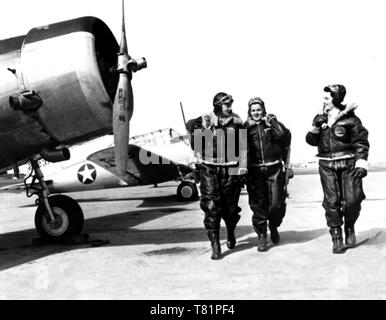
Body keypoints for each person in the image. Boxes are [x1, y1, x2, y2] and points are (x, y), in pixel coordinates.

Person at [306, 84, 369, 254]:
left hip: (348, 164)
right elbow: (311, 141)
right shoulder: (320, 118)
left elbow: (361, 142)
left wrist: (361, 162)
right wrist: (315, 127)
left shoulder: (351, 120)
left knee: (353, 199)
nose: (323, 101)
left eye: (326, 98)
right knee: (331, 202)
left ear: (335, 98)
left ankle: (349, 226)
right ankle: (337, 237)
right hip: (326, 165)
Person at [186, 92, 247, 260]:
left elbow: (243, 147)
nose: (230, 108)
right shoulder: (204, 120)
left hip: (230, 168)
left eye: (230, 105)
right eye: (227, 105)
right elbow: (195, 146)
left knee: (231, 209)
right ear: (218, 105)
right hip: (209, 168)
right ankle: (215, 244)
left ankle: (230, 232)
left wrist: (242, 168)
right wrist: (203, 129)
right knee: (211, 207)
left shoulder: (237, 121)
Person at [244, 97, 291, 252]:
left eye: (258, 110)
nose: (256, 113)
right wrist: (245, 127)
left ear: (263, 110)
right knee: (258, 206)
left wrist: (273, 121)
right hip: (255, 171)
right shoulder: (245, 128)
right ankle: (262, 236)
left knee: (277, 204)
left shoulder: (270, 125)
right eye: (253, 110)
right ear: (249, 112)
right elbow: (235, 146)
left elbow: (284, 135)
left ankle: (274, 225)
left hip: (274, 169)